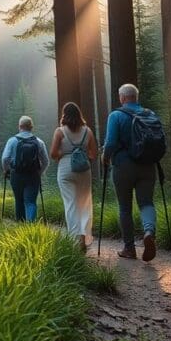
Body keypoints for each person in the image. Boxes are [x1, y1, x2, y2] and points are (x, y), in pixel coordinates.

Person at [103, 83, 157, 261]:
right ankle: (149, 232)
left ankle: (129, 248)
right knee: (146, 203)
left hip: (123, 166)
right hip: (148, 165)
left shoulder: (116, 115)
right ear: (136, 97)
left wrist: (105, 158)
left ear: (122, 98)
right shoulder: (150, 114)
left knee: (125, 207)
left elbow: (111, 143)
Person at [50, 102, 98, 252]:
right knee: (84, 203)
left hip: (65, 169)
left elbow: (53, 154)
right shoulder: (87, 131)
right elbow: (94, 154)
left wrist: (64, 153)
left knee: (71, 204)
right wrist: (83, 156)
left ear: (64, 114)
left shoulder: (60, 132)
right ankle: (83, 237)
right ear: (79, 114)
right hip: (84, 170)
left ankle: (74, 239)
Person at [1, 116, 49, 222]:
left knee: (19, 200)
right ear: (31, 127)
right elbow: (46, 161)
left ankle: (20, 226)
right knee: (30, 201)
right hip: (33, 175)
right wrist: (39, 172)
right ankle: (31, 226)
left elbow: (5, 158)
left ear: (20, 126)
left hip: (16, 175)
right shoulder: (39, 142)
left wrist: (6, 170)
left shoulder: (12, 141)